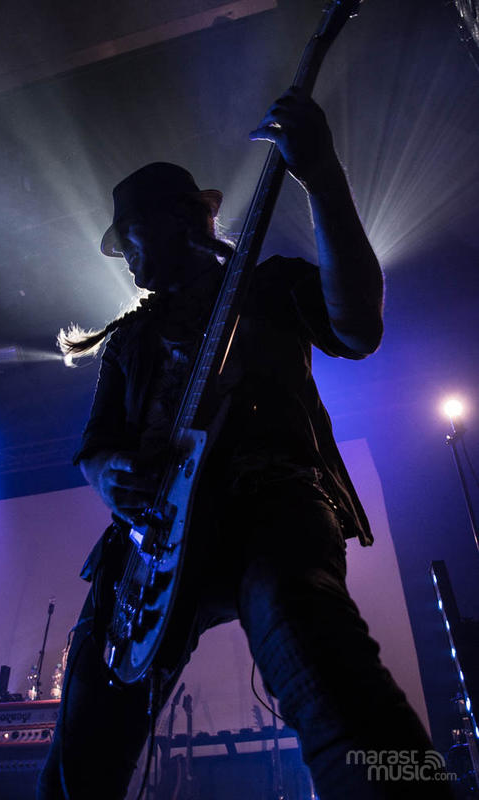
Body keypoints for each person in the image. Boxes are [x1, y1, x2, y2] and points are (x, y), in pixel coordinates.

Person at [38, 89, 454, 800]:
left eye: (132, 236)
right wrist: (108, 473)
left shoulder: (270, 287)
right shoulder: (130, 339)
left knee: (328, 681)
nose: (127, 259)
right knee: (80, 762)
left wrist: (322, 178)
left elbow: (359, 328)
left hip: (270, 504)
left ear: (182, 222)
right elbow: (94, 445)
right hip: (151, 549)